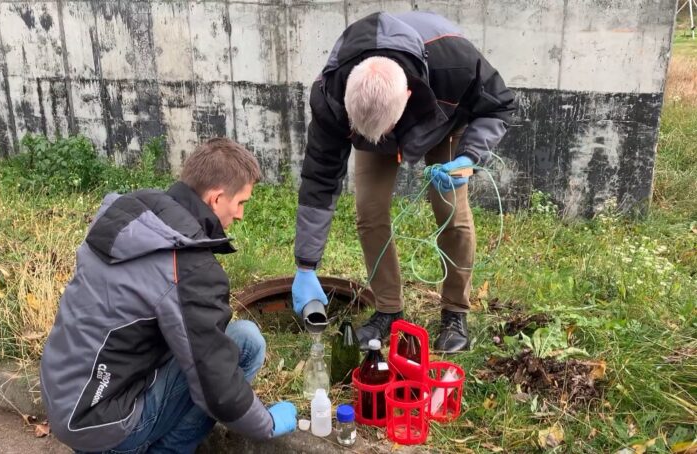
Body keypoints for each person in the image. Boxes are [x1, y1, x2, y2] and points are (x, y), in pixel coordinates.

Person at [40, 138, 297, 453]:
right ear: (216, 199)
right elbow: (216, 387)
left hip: (65, 399)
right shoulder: (188, 266)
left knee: (202, 344)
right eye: (241, 203)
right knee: (244, 343)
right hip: (105, 424)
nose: (241, 215)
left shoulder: (135, 218)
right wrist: (266, 424)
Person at [291, 11, 516, 353]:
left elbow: (498, 105)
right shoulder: (332, 94)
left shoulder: (455, 62)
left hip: (442, 120)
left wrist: (469, 158)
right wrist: (306, 265)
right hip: (372, 125)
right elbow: (319, 177)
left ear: (408, 96)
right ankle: (389, 309)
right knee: (369, 211)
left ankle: (455, 312)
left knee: (450, 211)